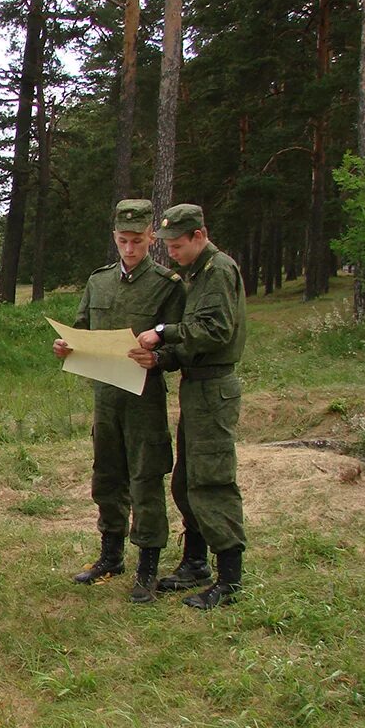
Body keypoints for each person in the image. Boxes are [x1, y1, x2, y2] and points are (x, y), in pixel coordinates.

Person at [54, 199, 185, 602]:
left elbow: (183, 343)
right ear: (114, 239)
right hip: (106, 397)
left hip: (144, 398)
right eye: (123, 241)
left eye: (138, 241)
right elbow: (81, 329)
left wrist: (159, 357)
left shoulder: (167, 285)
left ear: (151, 239)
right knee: (107, 476)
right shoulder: (100, 282)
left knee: (145, 478)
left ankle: (147, 565)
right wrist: (67, 347)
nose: (130, 249)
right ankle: (110, 555)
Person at [135, 203, 248, 610]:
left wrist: (163, 333)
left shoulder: (218, 270)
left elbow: (215, 331)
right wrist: (162, 359)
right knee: (186, 480)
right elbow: (193, 342)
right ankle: (196, 563)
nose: (171, 254)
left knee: (211, 480)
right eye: (166, 246)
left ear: (200, 235)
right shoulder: (197, 274)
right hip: (196, 388)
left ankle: (230, 580)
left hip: (214, 389)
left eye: (178, 245)